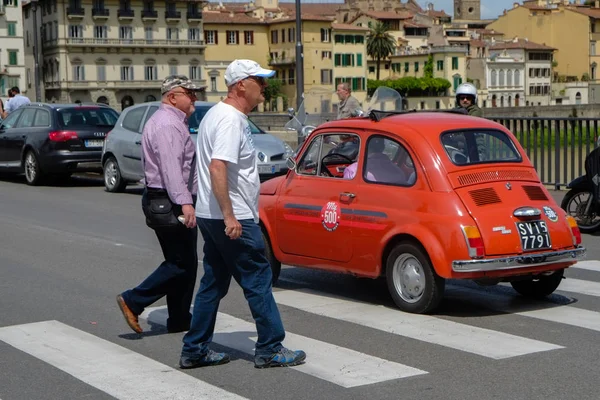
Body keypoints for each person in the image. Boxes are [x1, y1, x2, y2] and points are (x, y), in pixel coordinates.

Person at [179, 59, 306, 369]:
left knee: (214, 282)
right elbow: (218, 166)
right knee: (258, 278)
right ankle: (270, 347)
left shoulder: (217, 116)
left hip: (212, 214)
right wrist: (230, 216)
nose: (264, 86)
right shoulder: (230, 120)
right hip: (230, 216)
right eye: (258, 80)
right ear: (240, 86)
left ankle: (194, 349)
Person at [116, 75, 202, 335]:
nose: (194, 97)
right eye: (189, 93)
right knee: (181, 263)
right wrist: (185, 204)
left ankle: (178, 319)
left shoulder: (170, 121)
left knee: (181, 262)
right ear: (172, 97)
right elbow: (171, 169)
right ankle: (133, 300)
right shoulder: (167, 125)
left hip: (164, 199)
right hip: (170, 201)